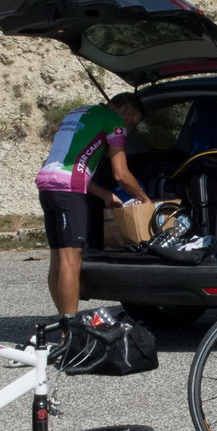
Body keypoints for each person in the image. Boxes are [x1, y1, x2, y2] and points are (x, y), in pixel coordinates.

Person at [37, 93, 148, 320]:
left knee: (58, 257)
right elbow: (121, 174)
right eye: (133, 123)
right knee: (72, 258)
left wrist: (105, 195)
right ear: (127, 110)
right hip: (69, 191)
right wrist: (146, 201)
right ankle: (71, 326)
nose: (129, 129)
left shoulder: (76, 113)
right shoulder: (114, 121)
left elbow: (71, 162)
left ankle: (64, 324)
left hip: (47, 184)